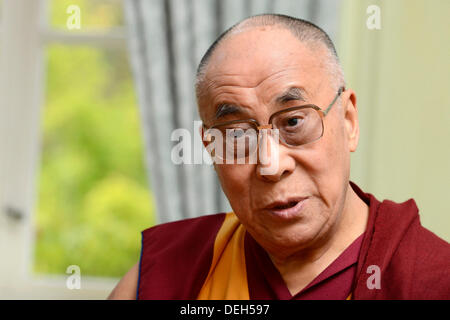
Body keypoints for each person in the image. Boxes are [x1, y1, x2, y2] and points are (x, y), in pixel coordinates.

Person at [108, 14, 450, 300]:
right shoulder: (163, 274)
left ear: (348, 121)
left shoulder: (432, 281)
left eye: (293, 122)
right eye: (238, 134)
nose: (271, 165)